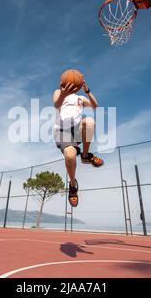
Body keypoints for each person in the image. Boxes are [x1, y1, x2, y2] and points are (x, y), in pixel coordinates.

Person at [53, 71, 104, 207]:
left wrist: (88, 91)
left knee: (90, 121)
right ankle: (73, 185)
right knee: (70, 155)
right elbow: (56, 104)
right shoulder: (58, 92)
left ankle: (86, 156)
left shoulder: (80, 98)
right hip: (62, 131)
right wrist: (63, 94)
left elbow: (95, 106)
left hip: (76, 129)